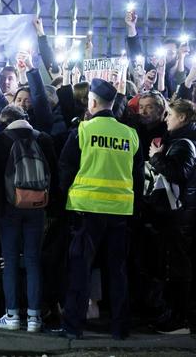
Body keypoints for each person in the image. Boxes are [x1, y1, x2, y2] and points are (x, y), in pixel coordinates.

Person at [55, 79, 144, 340]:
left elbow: (65, 171)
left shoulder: (83, 130)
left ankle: (73, 327)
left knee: (81, 272)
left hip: (86, 211)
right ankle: (120, 328)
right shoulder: (130, 134)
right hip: (120, 212)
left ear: (92, 102)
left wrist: (64, 201)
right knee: (117, 272)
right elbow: (137, 179)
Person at [0, 105, 58, 333]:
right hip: (38, 206)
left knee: (10, 260)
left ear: (4, 121)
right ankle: (34, 317)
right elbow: (54, 174)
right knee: (33, 260)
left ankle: (11, 315)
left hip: (9, 207)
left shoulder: (1, 140)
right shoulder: (43, 139)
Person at [147, 99, 196, 334]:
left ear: (183, 118)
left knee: (178, 267)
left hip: (181, 216)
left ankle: (179, 320)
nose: (166, 119)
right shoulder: (181, 141)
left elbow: (178, 173)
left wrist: (157, 157)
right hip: (182, 214)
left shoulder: (185, 144)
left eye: (170, 115)